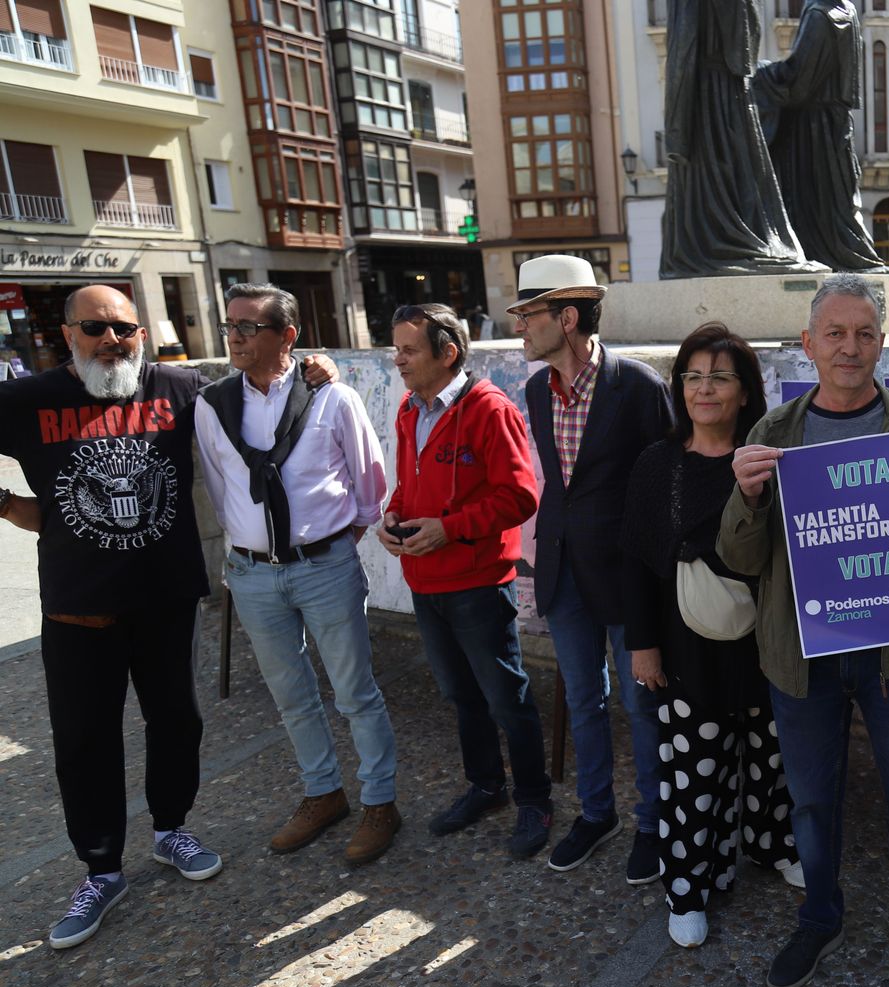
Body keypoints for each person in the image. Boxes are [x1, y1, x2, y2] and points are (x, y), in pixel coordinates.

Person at [0, 285, 334, 950]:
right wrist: (9, 505)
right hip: (78, 607)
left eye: (123, 328)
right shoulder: (29, 399)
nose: (110, 341)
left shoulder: (181, 390)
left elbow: (265, 378)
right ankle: (100, 870)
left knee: (177, 720)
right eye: (94, 328)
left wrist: (321, 367)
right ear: (67, 335)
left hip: (166, 599)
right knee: (84, 740)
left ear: (142, 333)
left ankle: (170, 830)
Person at [718, 274, 889, 987]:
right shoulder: (772, 436)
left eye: (864, 333)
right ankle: (819, 915)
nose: (849, 347)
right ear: (808, 345)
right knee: (811, 802)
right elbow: (741, 560)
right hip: (803, 660)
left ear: (881, 342)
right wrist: (744, 496)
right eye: (834, 333)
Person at [195, 283, 400, 865]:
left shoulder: (333, 399)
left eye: (248, 327)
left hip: (324, 566)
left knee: (355, 692)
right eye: (229, 326)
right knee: (291, 697)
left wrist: (335, 545)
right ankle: (322, 793)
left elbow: (369, 485)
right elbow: (219, 486)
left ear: (287, 335)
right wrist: (247, 550)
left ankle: (380, 803)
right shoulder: (213, 405)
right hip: (254, 576)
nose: (234, 337)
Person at [619, 323, 803, 950]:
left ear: (747, 391)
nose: (704, 389)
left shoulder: (771, 459)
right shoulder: (658, 464)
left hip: (766, 642)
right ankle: (688, 887)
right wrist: (642, 645)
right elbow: (637, 565)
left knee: (772, 757)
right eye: (693, 376)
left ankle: (772, 844)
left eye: (720, 377)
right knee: (693, 773)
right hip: (685, 646)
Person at [513, 254, 673, 884]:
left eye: (529, 315)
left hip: (628, 579)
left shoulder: (637, 387)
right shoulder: (532, 389)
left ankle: (653, 823)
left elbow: (664, 489)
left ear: (567, 316)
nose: (521, 328)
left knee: (641, 703)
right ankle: (597, 812)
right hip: (563, 572)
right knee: (582, 699)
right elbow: (561, 486)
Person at [376, 303, 556, 860]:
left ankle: (534, 798)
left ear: (446, 352)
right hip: (425, 579)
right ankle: (485, 786)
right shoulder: (411, 408)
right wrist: (392, 514)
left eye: (409, 350)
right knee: (460, 695)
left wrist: (449, 530)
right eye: (396, 348)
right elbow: (410, 482)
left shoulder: (488, 408)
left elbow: (522, 496)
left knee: (506, 696)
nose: (397, 360)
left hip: (478, 582)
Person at [659, 0, 821, 278]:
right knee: (741, 183)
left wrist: (676, 128)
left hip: (705, 100)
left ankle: (724, 246)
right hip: (736, 97)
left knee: (714, 190)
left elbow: (682, 51)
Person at [753, 0, 889, 273]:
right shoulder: (848, 10)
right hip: (836, 124)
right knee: (837, 205)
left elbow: (798, 79)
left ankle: (834, 258)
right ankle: (845, 256)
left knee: (817, 205)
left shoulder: (820, 16)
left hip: (813, 131)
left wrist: (761, 73)